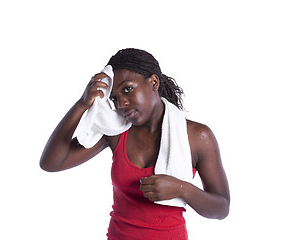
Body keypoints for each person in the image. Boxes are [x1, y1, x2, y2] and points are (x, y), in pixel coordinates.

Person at [40, 48, 230, 239]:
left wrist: (182, 189)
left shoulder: (197, 136)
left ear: (154, 82)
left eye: (127, 89)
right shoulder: (116, 132)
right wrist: (81, 105)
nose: (121, 104)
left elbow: (221, 208)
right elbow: (52, 163)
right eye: (114, 98)